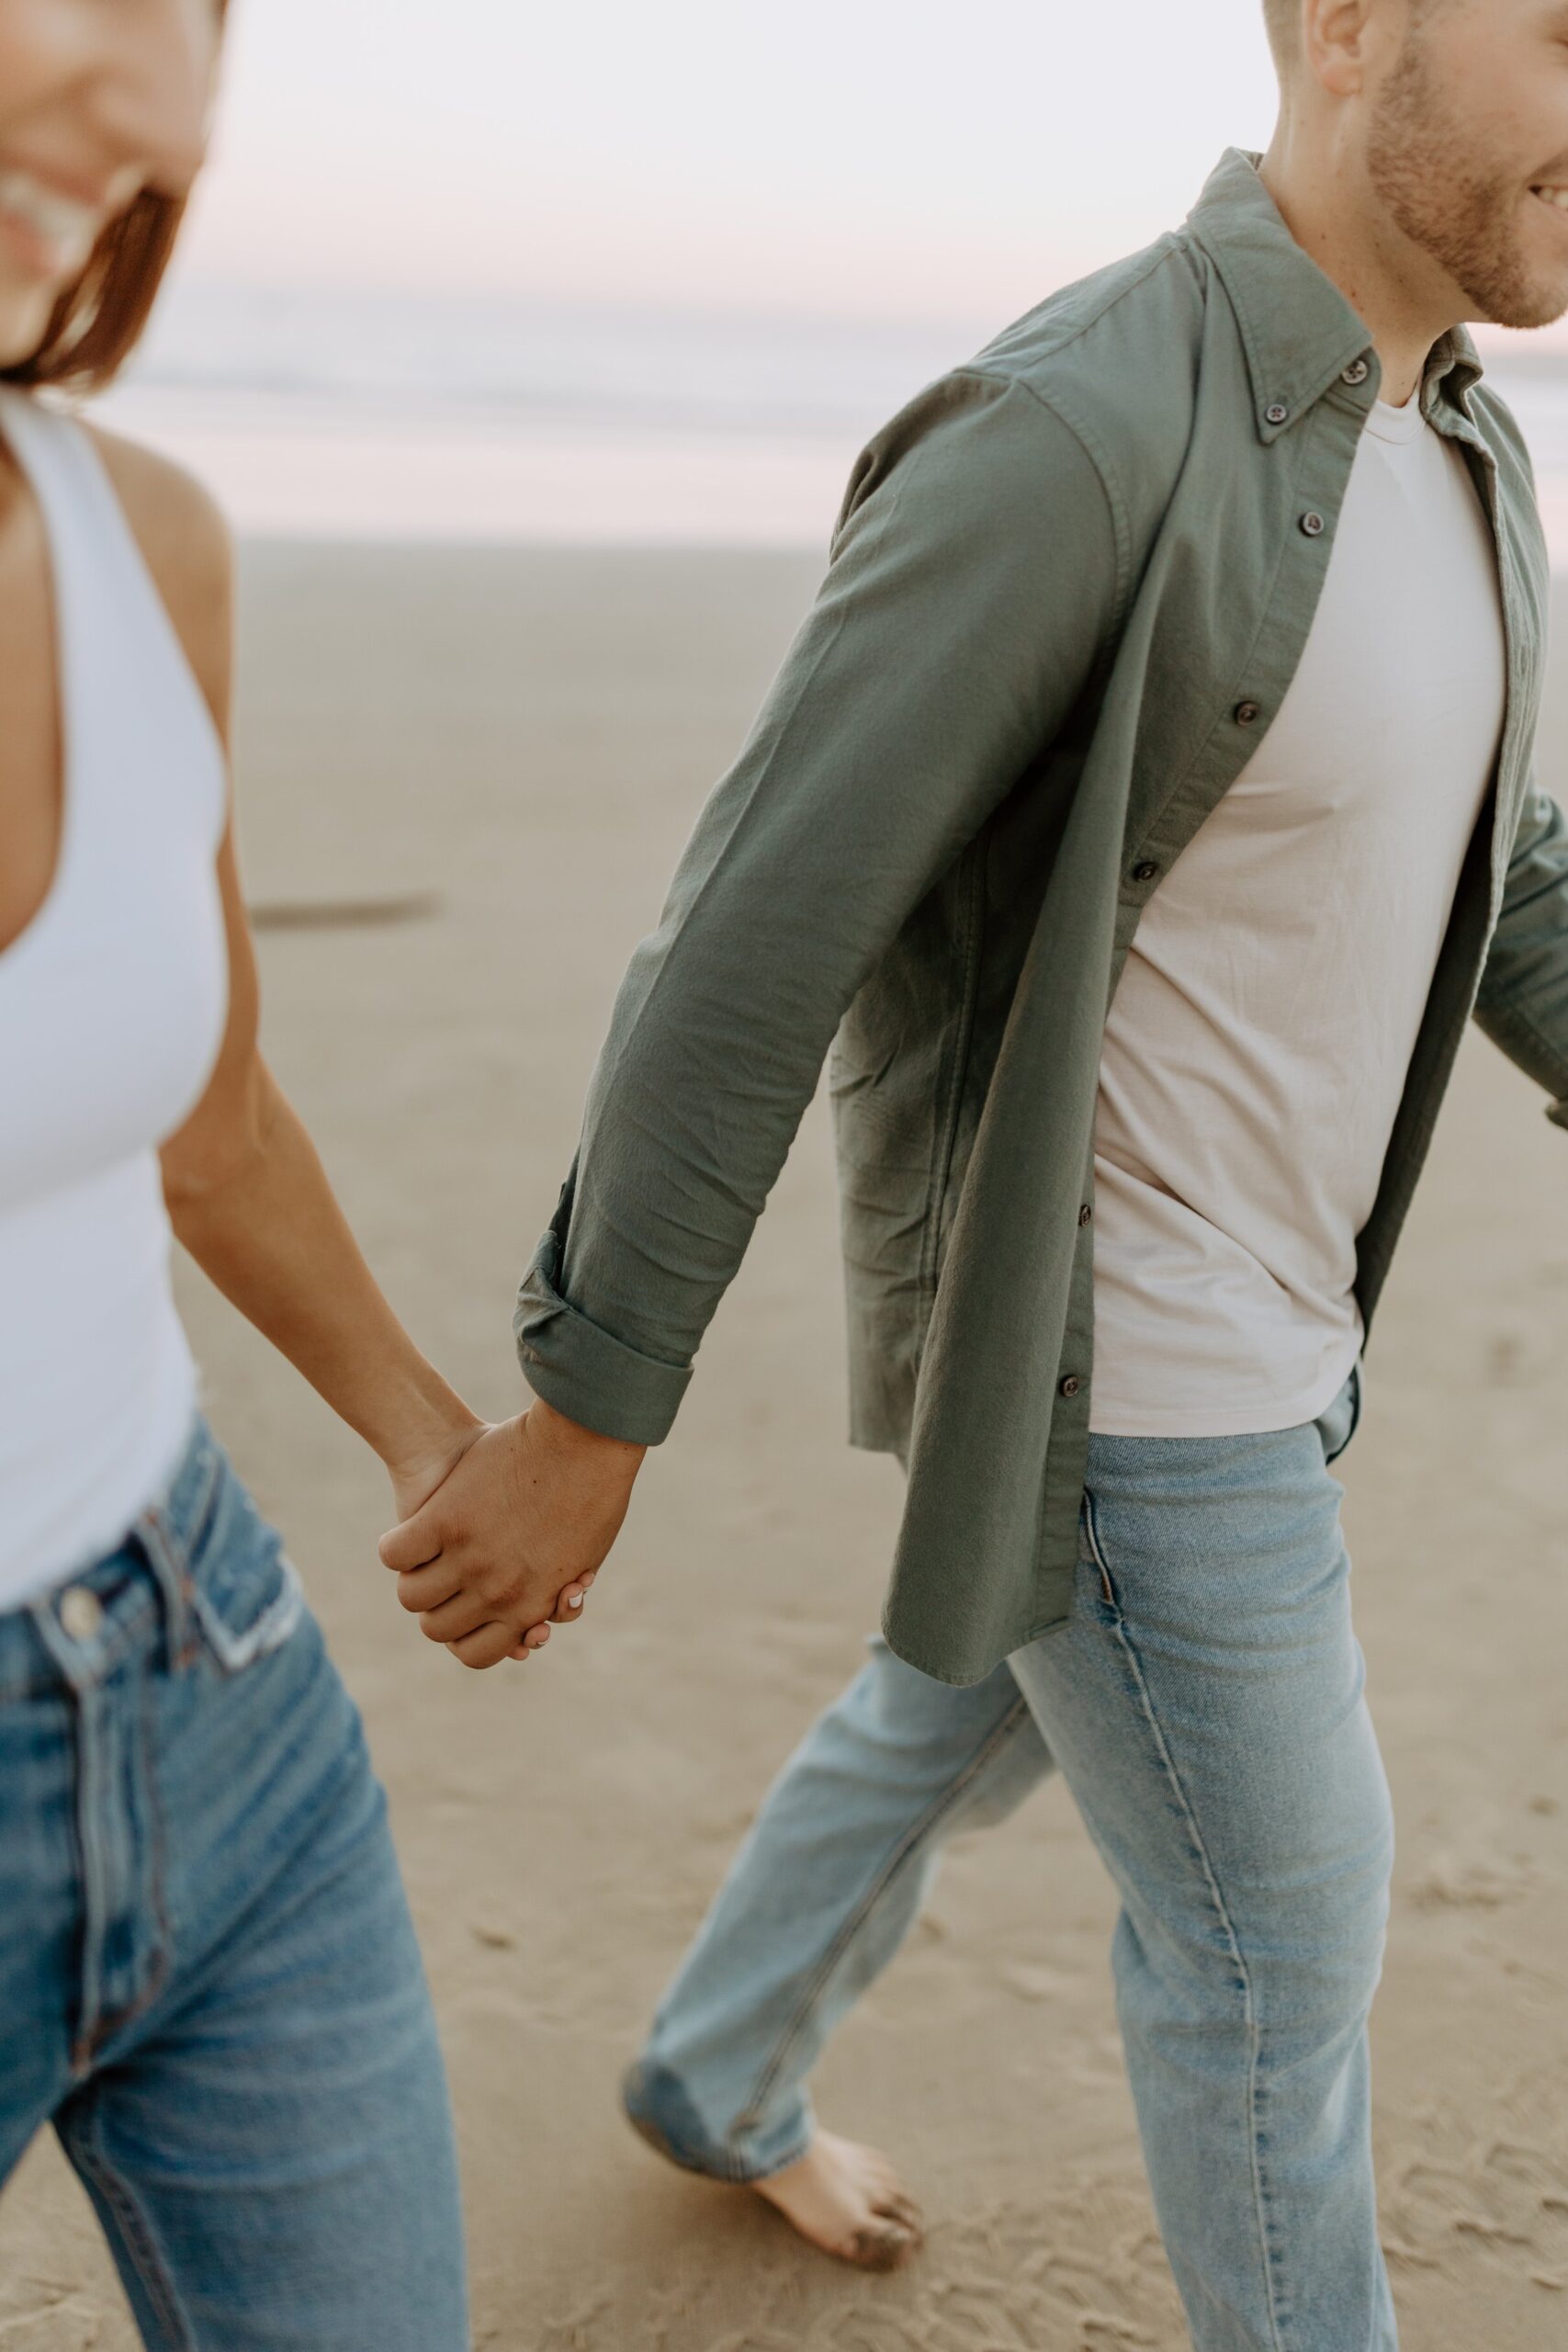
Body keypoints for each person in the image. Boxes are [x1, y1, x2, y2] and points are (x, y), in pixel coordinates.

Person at [382, 0, 1568, 2343]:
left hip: (1275, 1307)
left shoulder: (1459, 445)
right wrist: (591, 1401)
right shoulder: (1075, 426)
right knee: (1271, 1947)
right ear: (1344, 29)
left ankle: (712, 2070)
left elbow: (1497, 873)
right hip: (1126, 1359)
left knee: (962, 1685)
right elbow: (755, 929)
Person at [0, 4, 592, 2343]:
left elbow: (205, 1113)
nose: (160, 105)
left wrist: (431, 1429)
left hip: (204, 1675)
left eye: (194, 17)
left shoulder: (139, 544)